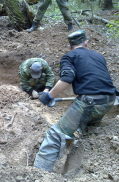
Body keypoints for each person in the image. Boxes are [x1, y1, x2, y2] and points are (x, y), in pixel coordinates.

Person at [34, 30, 116, 172]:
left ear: (69, 46)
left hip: (90, 102)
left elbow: (67, 79)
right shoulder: (99, 56)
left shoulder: (69, 56)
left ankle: (38, 173)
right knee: (88, 123)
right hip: (110, 100)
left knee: (55, 135)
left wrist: (49, 96)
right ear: (86, 42)